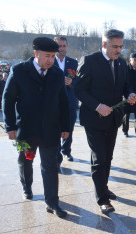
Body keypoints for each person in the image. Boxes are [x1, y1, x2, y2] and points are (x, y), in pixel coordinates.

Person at [2, 37, 70, 218]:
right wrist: (10, 126)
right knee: (26, 160)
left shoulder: (56, 74)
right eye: (47, 56)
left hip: (50, 130)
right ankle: (27, 187)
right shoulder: (19, 71)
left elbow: (63, 102)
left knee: (51, 165)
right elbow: (8, 100)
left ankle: (52, 202)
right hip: (26, 130)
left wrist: (65, 126)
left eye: (53, 56)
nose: (50, 60)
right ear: (36, 54)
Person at [74, 29, 136, 214]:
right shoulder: (89, 61)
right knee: (99, 158)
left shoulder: (121, 63)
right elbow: (79, 90)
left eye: (121, 46)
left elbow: (125, 84)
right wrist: (97, 105)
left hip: (114, 118)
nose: (119, 50)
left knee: (108, 157)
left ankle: (104, 187)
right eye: (115, 46)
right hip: (94, 119)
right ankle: (102, 199)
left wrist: (131, 93)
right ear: (104, 44)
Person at [54, 36, 79, 165]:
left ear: (67, 47)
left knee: (69, 128)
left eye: (64, 46)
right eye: (59, 46)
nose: (61, 49)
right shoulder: (50, 61)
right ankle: (57, 155)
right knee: (56, 130)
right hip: (55, 104)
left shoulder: (73, 62)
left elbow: (79, 80)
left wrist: (72, 82)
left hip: (70, 102)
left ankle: (66, 150)